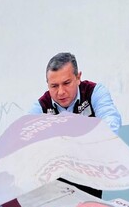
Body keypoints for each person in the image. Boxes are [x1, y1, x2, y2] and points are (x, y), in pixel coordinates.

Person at [29, 52, 122, 198]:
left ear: (78, 77)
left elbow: (110, 119)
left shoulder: (94, 92)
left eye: (66, 83)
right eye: (54, 86)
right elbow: (23, 135)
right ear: (47, 84)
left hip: (89, 170)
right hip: (57, 176)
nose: (60, 92)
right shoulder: (41, 106)